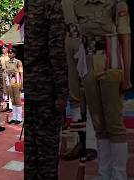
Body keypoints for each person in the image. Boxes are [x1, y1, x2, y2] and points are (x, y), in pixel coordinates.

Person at [73, 0, 132, 178]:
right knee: (98, 124)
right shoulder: (79, 5)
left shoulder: (117, 4)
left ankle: (119, 175)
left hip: (111, 64)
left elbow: (125, 41)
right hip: (89, 65)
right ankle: (104, 173)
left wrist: (127, 77)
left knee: (114, 123)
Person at [24, 0, 68, 179]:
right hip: (46, 90)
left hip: (30, 88)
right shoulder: (51, 4)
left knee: (31, 151)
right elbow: (57, 50)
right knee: (47, 153)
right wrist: (62, 92)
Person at [60, 0, 98, 162]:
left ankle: (91, 145)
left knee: (91, 92)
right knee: (74, 96)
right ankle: (78, 142)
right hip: (66, 39)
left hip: (87, 39)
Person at [5, 48, 23, 124]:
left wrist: (22, 85)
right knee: (12, 100)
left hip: (16, 81)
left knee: (17, 100)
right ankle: (14, 117)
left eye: (11, 53)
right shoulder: (7, 62)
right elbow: (6, 73)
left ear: (15, 54)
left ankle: (19, 118)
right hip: (9, 82)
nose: (9, 54)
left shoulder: (18, 62)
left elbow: (21, 73)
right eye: (9, 53)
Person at [0, 44, 12, 112]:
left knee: (9, 89)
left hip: (8, 74)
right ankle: (6, 106)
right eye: (2, 48)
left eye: (4, 48)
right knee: (4, 90)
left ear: (7, 49)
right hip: (2, 74)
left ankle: (11, 107)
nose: (3, 49)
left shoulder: (9, 56)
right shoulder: (1, 57)